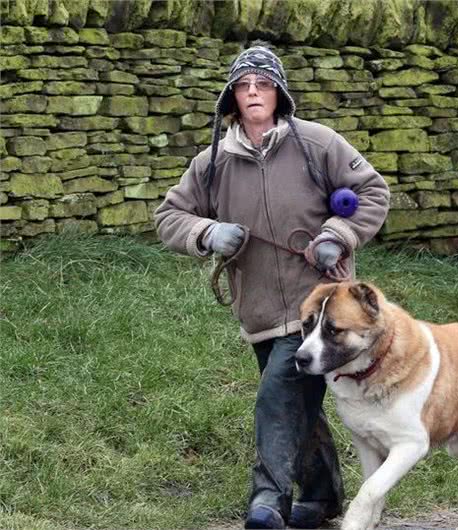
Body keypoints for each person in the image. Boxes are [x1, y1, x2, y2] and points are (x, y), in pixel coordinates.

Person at [154, 43, 390, 529]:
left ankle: (268, 502)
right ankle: (323, 499)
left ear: (279, 93)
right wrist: (206, 233)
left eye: (263, 84)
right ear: (232, 98)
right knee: (298, 401)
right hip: (258, 304)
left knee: (277, 395)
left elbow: (373, 191)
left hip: (320, 308)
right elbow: (168, 216)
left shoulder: (319, 143)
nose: (253, 92)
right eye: (244, 86)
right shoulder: (213, 162)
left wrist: (337, 235)